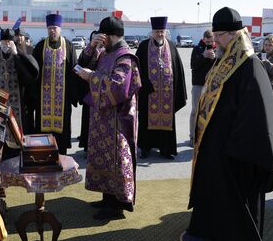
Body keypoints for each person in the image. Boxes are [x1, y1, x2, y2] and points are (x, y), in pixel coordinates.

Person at [181, 7, 273, 241]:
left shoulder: (249, 64)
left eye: (220, 36)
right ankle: (212, 231)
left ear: (235, 34)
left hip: (236, 150)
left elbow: (257, 115)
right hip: (215, 144)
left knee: (231, 197)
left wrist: (232, 145)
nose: (216, 41)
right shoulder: (225, 59)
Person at [76, 17, 142, 220]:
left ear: (111, 35)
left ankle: (117, 206)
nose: (101, 40)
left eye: (102, 36)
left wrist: (91, 77)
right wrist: (91, 46)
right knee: (104, 160)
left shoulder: (125, 58)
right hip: (103, 120)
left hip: (117, 123)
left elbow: (118, 87)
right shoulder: (106, 52)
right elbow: (82, 64)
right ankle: (107, 199)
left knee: (117, 162)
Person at [136, 16, 187, 160]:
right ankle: (145, 148)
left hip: (167, 95)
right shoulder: (144, 46)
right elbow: (136, 69)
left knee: (167, 121)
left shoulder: (171, 46)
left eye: (162, 31)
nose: (159, 34)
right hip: (148, 93)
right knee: (146, 121)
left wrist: (177, 89)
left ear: (165, 31)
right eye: (157, 31)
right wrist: (145, 84)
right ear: (152, 32)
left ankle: (166, 149)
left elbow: (178, 69)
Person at [0, 28, 39, 149]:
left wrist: (17, 56)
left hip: (19, 102)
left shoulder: (20, 54)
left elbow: (30, 76)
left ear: (13, 41)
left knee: (19, 135)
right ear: (0, 41)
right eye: (4, 41)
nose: (7, 44)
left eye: (9, 41)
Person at [32, 14, 78, 155]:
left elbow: (74, 71)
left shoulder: (69, 46)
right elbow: (34, 71)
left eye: (55, 28)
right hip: (43, 99)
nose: (52, 31)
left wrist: (73, 95)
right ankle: (44, 154)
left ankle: (62, 155)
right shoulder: (40, 46)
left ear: (60, 29)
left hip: (62, 99)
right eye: (50, 28)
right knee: (43, 131)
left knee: (62, 131)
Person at [189, 30, 216, 143]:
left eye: (211, 41)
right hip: (198, 85)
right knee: (196, 111)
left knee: (210, 111)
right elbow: (192, 66)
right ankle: (192, 136)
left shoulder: (217, 49)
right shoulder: (197, 49)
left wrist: (214, 58)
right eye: (207, 41)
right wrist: (203, 56)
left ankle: (206, 136)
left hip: (211, 85)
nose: (209, 43)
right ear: (203, 38)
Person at [14, 27, 37, 133]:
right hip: (15, 90)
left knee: (28, 121)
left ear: (24, 37)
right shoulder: (11, 51)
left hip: (28, 92)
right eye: (17, 36)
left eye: (21, 36)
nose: (19, 38)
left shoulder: (30, 50)